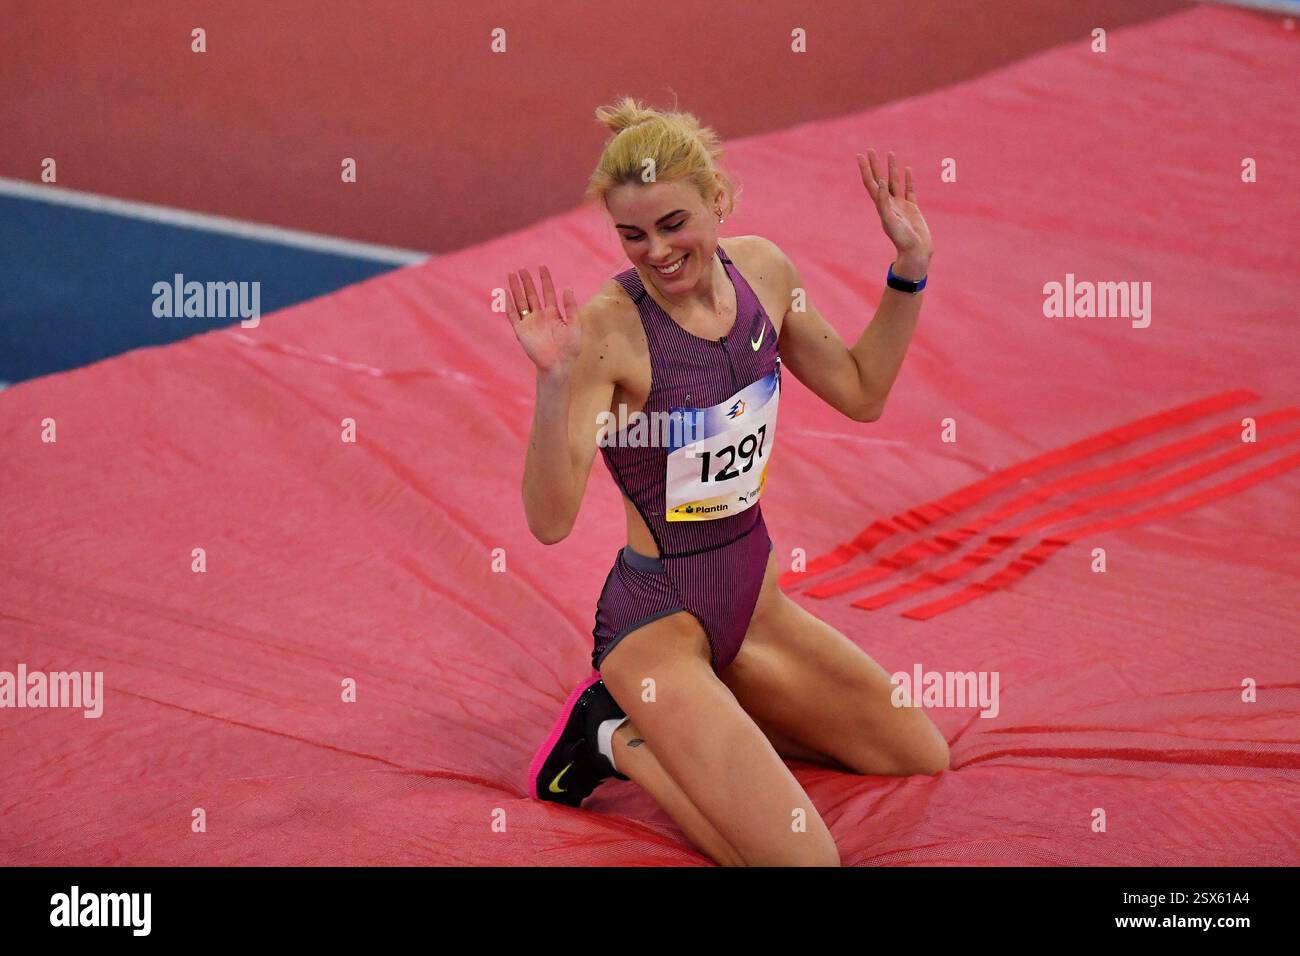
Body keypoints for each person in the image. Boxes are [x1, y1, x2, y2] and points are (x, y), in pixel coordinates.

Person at [513, 97, 949, 867]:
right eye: (633, 235)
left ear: (718, 199)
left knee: (917, 754)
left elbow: (860, 390)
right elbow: (550, 520)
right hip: (658, 627)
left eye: (675, 224)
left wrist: (908, 271)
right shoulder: (610, 332)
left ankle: (719, 710)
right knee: (805, 863)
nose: (658, 252)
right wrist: (553, 387)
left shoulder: (766, 272)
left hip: (753, 601)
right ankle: (614, 738)